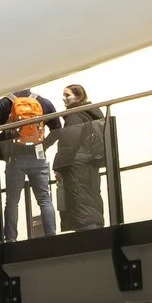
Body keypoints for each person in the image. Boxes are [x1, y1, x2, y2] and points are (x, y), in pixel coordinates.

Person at [0, 86, 60, 241]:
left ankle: (11, 239)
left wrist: (7, 143)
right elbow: (57, 129)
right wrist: (43, 145)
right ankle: (51, 236)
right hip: (38, 156)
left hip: (14, 158)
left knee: (12, 201)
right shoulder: (43, 102)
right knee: (44, 199)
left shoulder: (4, 103)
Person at [51, 82, 109, 231]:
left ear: (78, 96)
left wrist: (58, 167)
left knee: (79, 198)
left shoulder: (75, 116)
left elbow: (69, 143)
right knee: (92, 195)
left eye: (67, 95)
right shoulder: (92, 114)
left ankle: (87, 231)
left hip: (76, 164)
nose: (64, 98)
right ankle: (97, 226)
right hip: (91, 162)